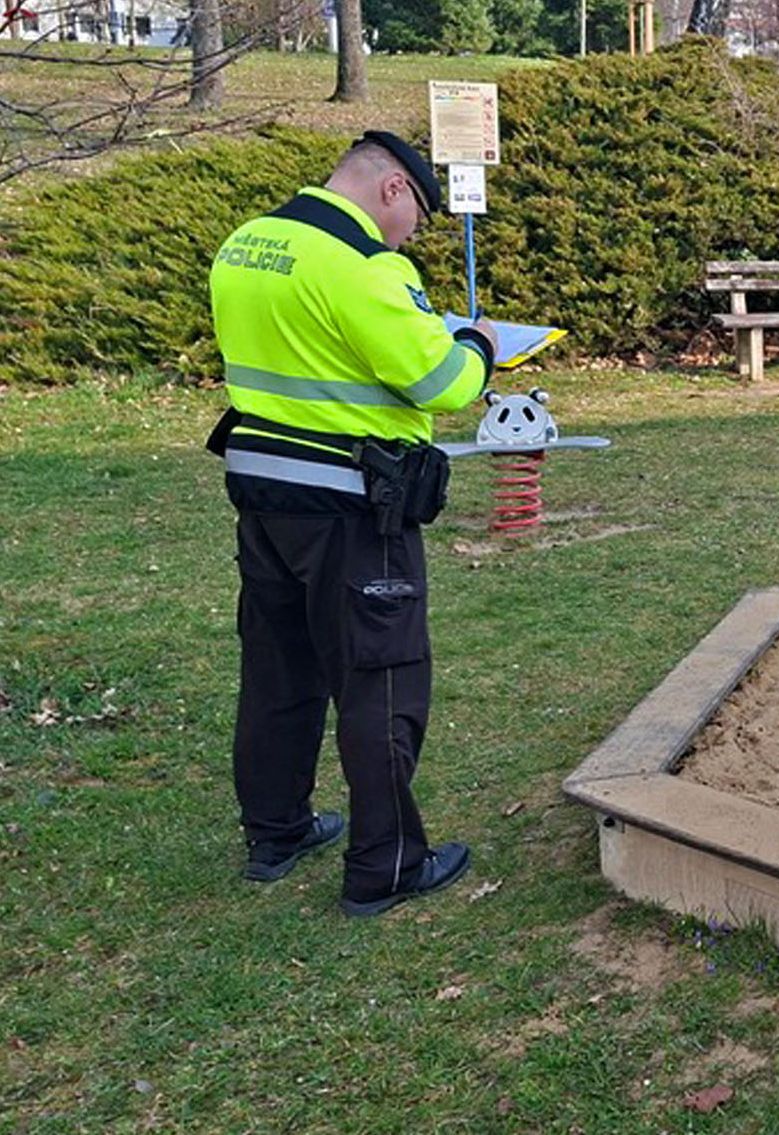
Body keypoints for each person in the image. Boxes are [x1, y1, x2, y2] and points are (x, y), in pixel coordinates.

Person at [206, 130, 499, 917]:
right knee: (381, 675)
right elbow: (442, 382)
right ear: (393, 189)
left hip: (263, 489)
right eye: (414, 221)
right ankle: (387, 862)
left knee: (279, 667)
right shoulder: (365, 265)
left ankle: (276, 831)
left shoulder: (248, 243)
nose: (408, 237)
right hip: (352, 502)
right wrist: (477, 344)